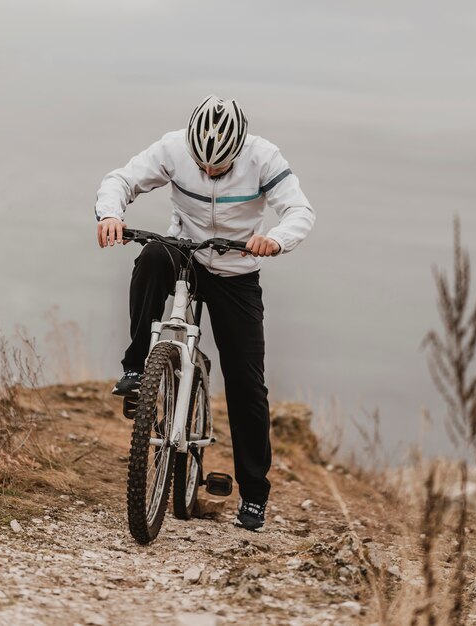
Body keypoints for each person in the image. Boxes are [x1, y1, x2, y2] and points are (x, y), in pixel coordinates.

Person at [95, 95, 314, 531]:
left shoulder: (264, 157)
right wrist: (110, 215)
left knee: (247, 385)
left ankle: (253, 496)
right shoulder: (173, 148)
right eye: (203, 164)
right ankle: (138, 367)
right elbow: (121, 179)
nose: (211, 171)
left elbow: (300, 211)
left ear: (239, 150)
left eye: (221, 167)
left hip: (236, 270)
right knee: (153, 256)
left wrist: (276, 238)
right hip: (187, 255)